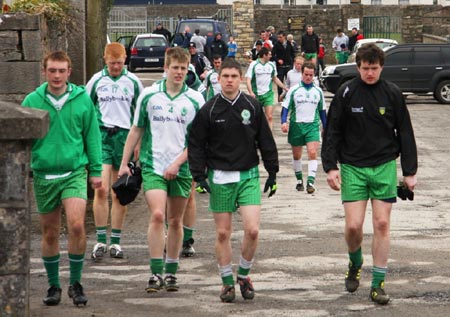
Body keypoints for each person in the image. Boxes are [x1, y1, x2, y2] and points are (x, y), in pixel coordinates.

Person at [321, 43, 418, 305]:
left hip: (384, 165)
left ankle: (378, 284)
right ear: (358, 67)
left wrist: (410, 172)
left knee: (382, 224)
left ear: (381, 67)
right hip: (352, 166)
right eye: (365, 69)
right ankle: (355, 262)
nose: (370, 73)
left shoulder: (393, 93)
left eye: (374, 69)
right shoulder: (346, 92)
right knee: (353, 226)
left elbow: (406, 133)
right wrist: (330, 166)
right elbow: (332, 132)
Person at [188, 58, 279, 303]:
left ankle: (245, 275)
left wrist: (272, 171)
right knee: (222, 233)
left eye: (233, 76)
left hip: (248, 174)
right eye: (225, 76)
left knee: (252, 229)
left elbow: (266, 140)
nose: (229, 80)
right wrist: (198, 174)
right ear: (218, 79)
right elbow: (195, 144)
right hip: (219, 177)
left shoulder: (252, 105)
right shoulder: (209, 109)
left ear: (241, 79)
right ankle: (227, 281)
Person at [118, 47, 205, 293]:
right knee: (158, 215)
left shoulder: (196, 100)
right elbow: (136, 129)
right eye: (175, 68)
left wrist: (178, 163)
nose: (179, 72)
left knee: (175, 220)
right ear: (165, 68)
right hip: (153, 165)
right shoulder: (149, 96)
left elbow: (199, 141)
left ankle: (172, 271)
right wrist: (124, 163)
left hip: (182, 168)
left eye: (183, 68)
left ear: (188, 70)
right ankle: (155, 272)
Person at [22, 51, 102, 306]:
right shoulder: (32, 100)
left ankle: (76, 283)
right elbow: (23, 138)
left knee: (77, 225)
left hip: (74, 172)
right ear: (44, 71)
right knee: (50, 232)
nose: (57, 76)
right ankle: (53, 285)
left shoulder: (82, 100)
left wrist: (96, 170)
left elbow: (92, 135)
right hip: (44, 174)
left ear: (69, 72)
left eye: (61, 71)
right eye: (52, 70)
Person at [86, 43, 144, 262]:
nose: (116, 67)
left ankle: (116, 241)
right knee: (100, 188)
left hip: (124, 138)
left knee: (120, 190)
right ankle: (101, 239)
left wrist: (138, 141)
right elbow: (87, 107)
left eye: (120, 63)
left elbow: (140, 114)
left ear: (125, 59)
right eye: (112, 64)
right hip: (102, 136)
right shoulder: (96, 81)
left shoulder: (133, 82)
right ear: (105, 60)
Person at [281, 62, 327, 194]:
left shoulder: (318, 91)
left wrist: (326, 127)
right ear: (302, 74)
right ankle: (299, 180)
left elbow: (322, 111)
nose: (308, 77)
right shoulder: (294, 90)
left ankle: (311, 182)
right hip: (296, 125)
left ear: (314, 76)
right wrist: (284, 121)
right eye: (306, 74)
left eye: (311, 75)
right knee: (297, 155)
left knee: (312, 152)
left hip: (312, 125)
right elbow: (285, 107)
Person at [246, 47, 288, 129]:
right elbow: (248, 80)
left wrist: (284, 87)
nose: (270, 56)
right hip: (256, 94)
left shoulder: (271, 65)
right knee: (256, 118)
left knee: (269, 116)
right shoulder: (254, 64)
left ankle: (269, 138)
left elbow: (275, 78)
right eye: (269, 55)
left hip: (268, 94)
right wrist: (251, 92)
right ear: (264, 55)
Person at [272, 30, 295, 97]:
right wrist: (277, 60)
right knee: (280, 81)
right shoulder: (276, 44)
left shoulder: (289, 43)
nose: (279, 39)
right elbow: (272, 55)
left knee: (290, 81)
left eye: (280, 37)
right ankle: (280, 96)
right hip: (280, 67)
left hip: (288, 65)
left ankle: (289, 96)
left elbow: (293, 53)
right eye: (278, 37)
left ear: (284, 37)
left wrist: (293, 61)